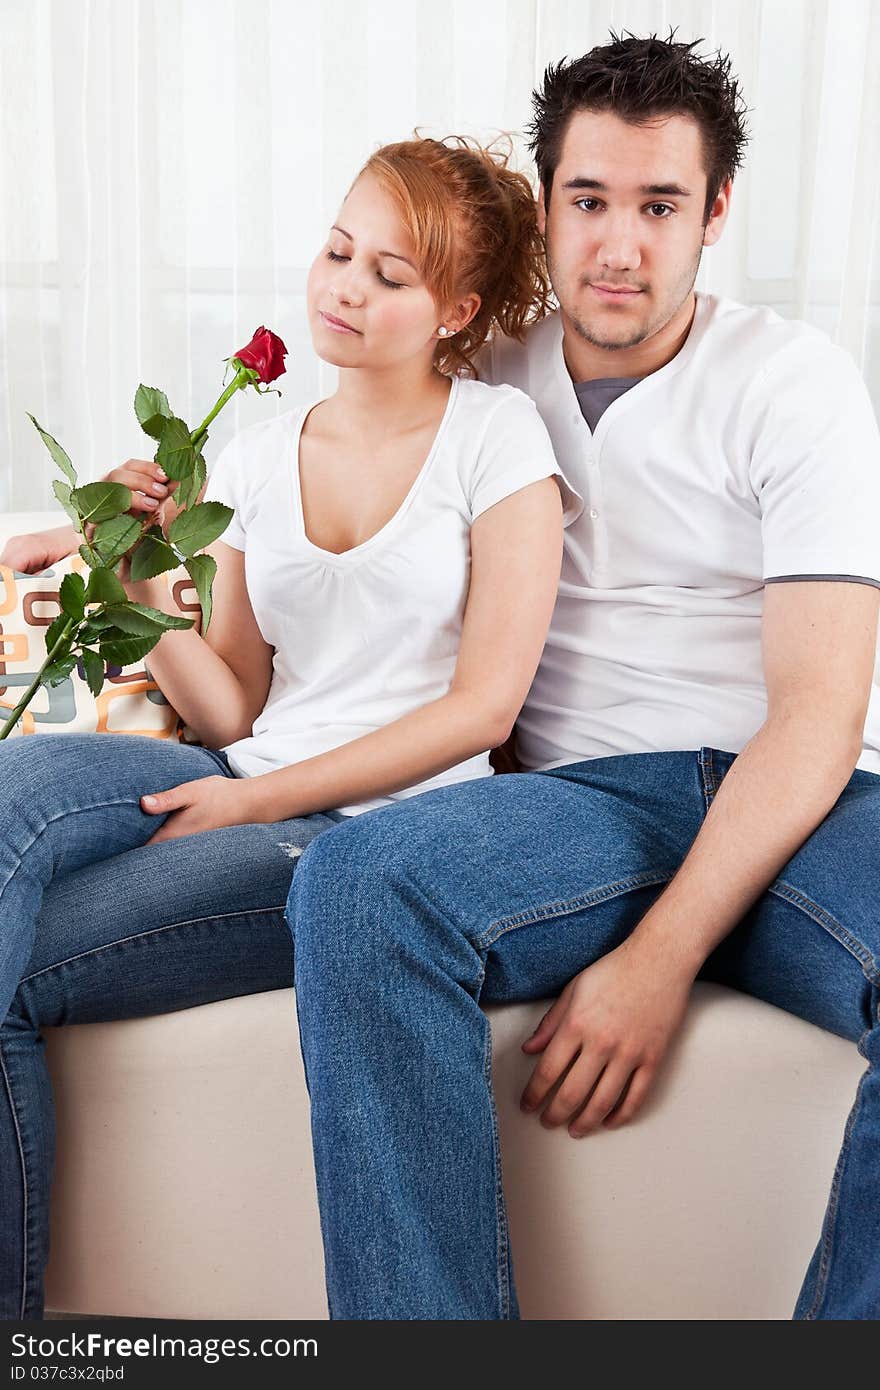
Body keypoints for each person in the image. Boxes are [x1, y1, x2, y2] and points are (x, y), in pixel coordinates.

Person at [284, 33, 880, 1320]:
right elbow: (314, 483)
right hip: (574, 806)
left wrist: (660, 958)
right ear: (546, 205)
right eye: (588, 201)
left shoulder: (794, 384)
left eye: (659, 205)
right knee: (356, 883)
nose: (618, 246)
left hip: (792, 790)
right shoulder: (480, 383)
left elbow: (821, 713)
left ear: (714, 212)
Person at [0, 136, 581, 1319]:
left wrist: (254, 800)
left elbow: (485, 708)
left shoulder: (498, 439)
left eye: (391, 274)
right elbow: (236, 705)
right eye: (336, 252)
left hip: (382, 836)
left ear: (456, 309)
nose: (345, 288)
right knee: (13, 798)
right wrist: (125, 579)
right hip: (250, 766)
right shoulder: (262, 455)